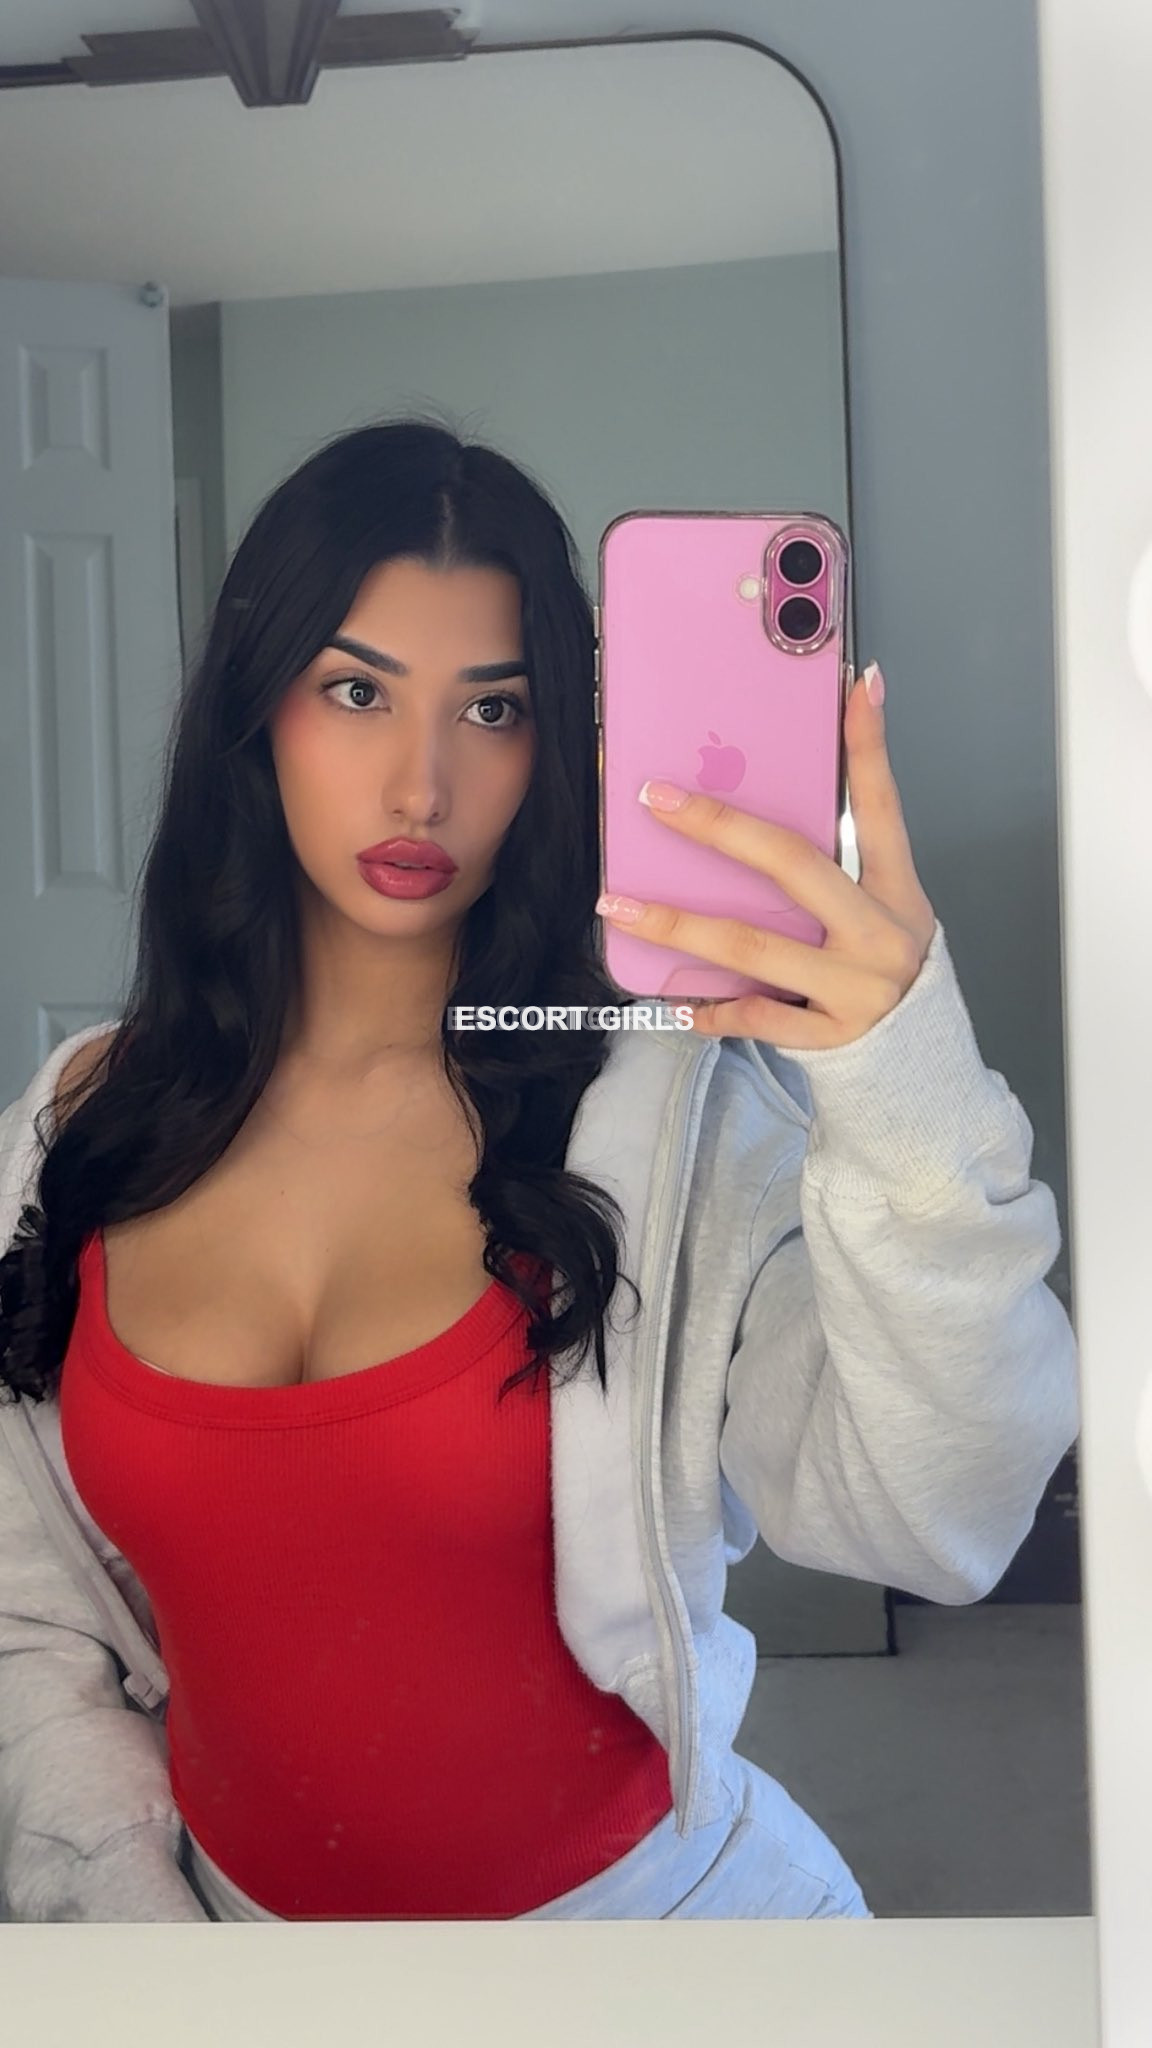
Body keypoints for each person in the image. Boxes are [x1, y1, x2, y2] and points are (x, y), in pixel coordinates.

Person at [0, 418, 1079, 1923]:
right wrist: (126, 1925)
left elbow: (941, 1521)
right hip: (220, 1957)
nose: (422, 785)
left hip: (653, 1943)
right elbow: (30, 1611)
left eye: (493, 708)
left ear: (555, 742)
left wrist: (904, 1086)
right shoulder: (82, 1120)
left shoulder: (671, 1122)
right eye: (357, 690)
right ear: (258, 711)